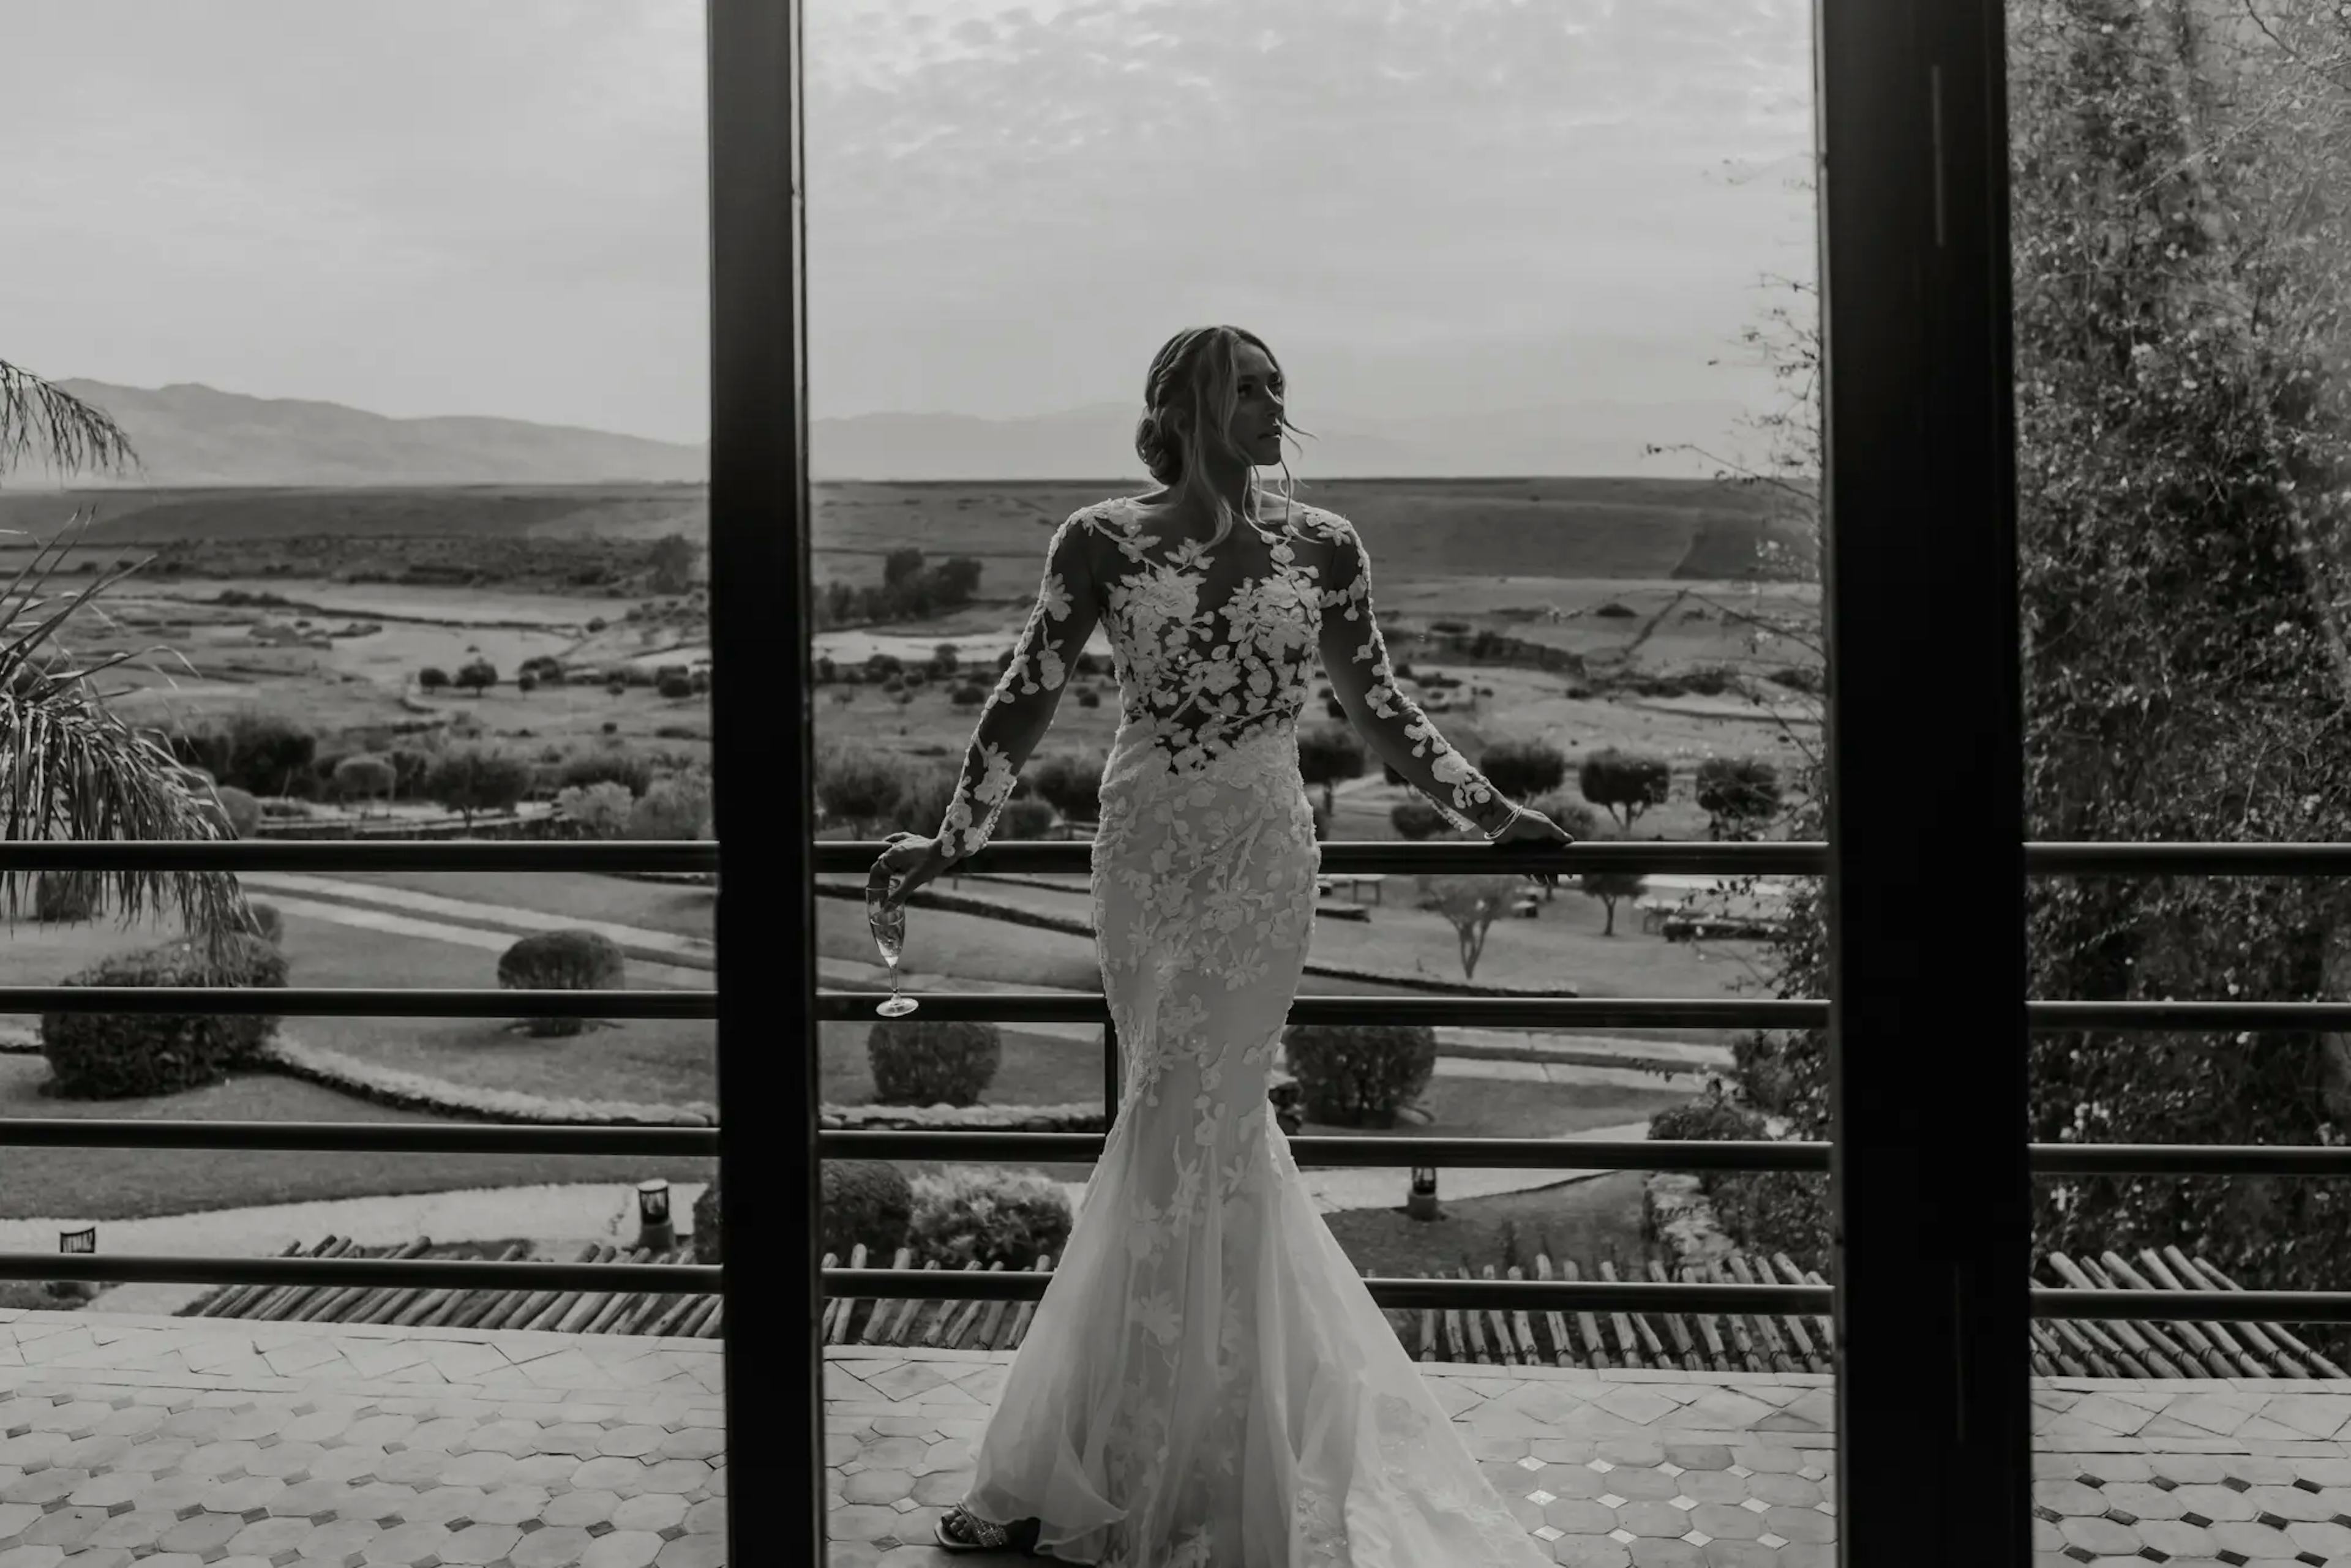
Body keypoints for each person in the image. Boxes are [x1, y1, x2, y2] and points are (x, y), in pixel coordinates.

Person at [868, 324, 1575, 1566]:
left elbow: (1382, 706)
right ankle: (1137, 1445)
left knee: (1204, 1110)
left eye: (1275, 383)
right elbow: (1025, 689)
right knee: (1167, 1112)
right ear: (1184, 404)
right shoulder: (1096, 540)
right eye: (1247, 384)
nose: (1272, 402)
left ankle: (1161, 1453)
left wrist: (1491, 813)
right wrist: (953, 835)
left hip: (1261, 851)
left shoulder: (1327, 547)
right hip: (1143, 848)